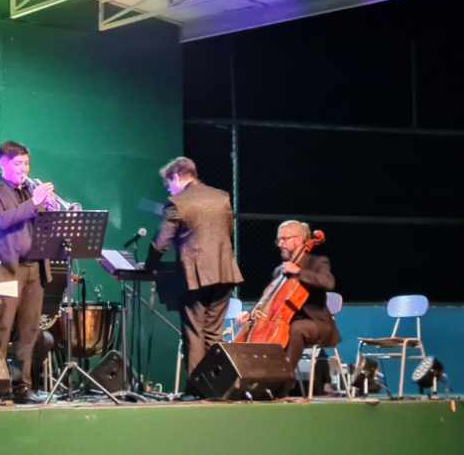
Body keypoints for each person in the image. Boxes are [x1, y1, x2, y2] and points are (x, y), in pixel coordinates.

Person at [144, 156, 243, 376]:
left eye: (168, 184)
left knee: (194, 331)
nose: (169, 190)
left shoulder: (178, 202)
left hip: (195, 276)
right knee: (213, 333)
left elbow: (160, 243)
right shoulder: (222, 197)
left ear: (176, 176)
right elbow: (227, 231)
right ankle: (215, 384)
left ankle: (197, 387)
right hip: (225, 271)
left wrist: (149, 266)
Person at [0, 140, 57, 403]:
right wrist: (34, 202)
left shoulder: (30, 193)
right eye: (18, 163)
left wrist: (51, 209)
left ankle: (22, 386)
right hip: (5, 269)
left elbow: (45, 227)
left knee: (28, 331)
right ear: (3, 164)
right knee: (1, 329)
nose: (24, 168)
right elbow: (0, 221)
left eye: (27, 163)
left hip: (35, 268)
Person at [238, 220, 340, 375]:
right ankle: (253, 377)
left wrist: (298, 272)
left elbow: (328, 283)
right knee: (262, 332)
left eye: (284, 239)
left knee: (296, 329)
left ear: (298, 240)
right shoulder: (280, 270)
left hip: (318, 324)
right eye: (279, 240)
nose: (280, 244)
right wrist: (251, 313)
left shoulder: (317, 262)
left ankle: (284, 379)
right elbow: (269, 299)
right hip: (284, 324)